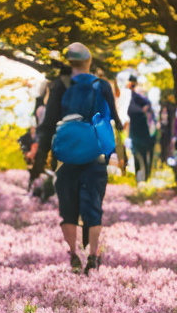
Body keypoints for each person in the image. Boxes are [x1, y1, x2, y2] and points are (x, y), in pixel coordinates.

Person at [33, 42, 121, 273]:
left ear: (70, 62)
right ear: (89, 61)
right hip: (95, 154)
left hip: (66, 157)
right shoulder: (101, 85)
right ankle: (93, 256)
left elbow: (49, 123)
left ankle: (73, 254)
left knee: (68, 208)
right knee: (93, 206)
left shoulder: (60, 86)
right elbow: (113, 118)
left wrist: (41, 156)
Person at [125, 75, 156, 182]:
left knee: (141, 153)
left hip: (141, 130)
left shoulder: (137, 97)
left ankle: (144, 177)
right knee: (138, 153)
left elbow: (148, 105)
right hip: (137, 130)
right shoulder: (130, 97)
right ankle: (141, 177)